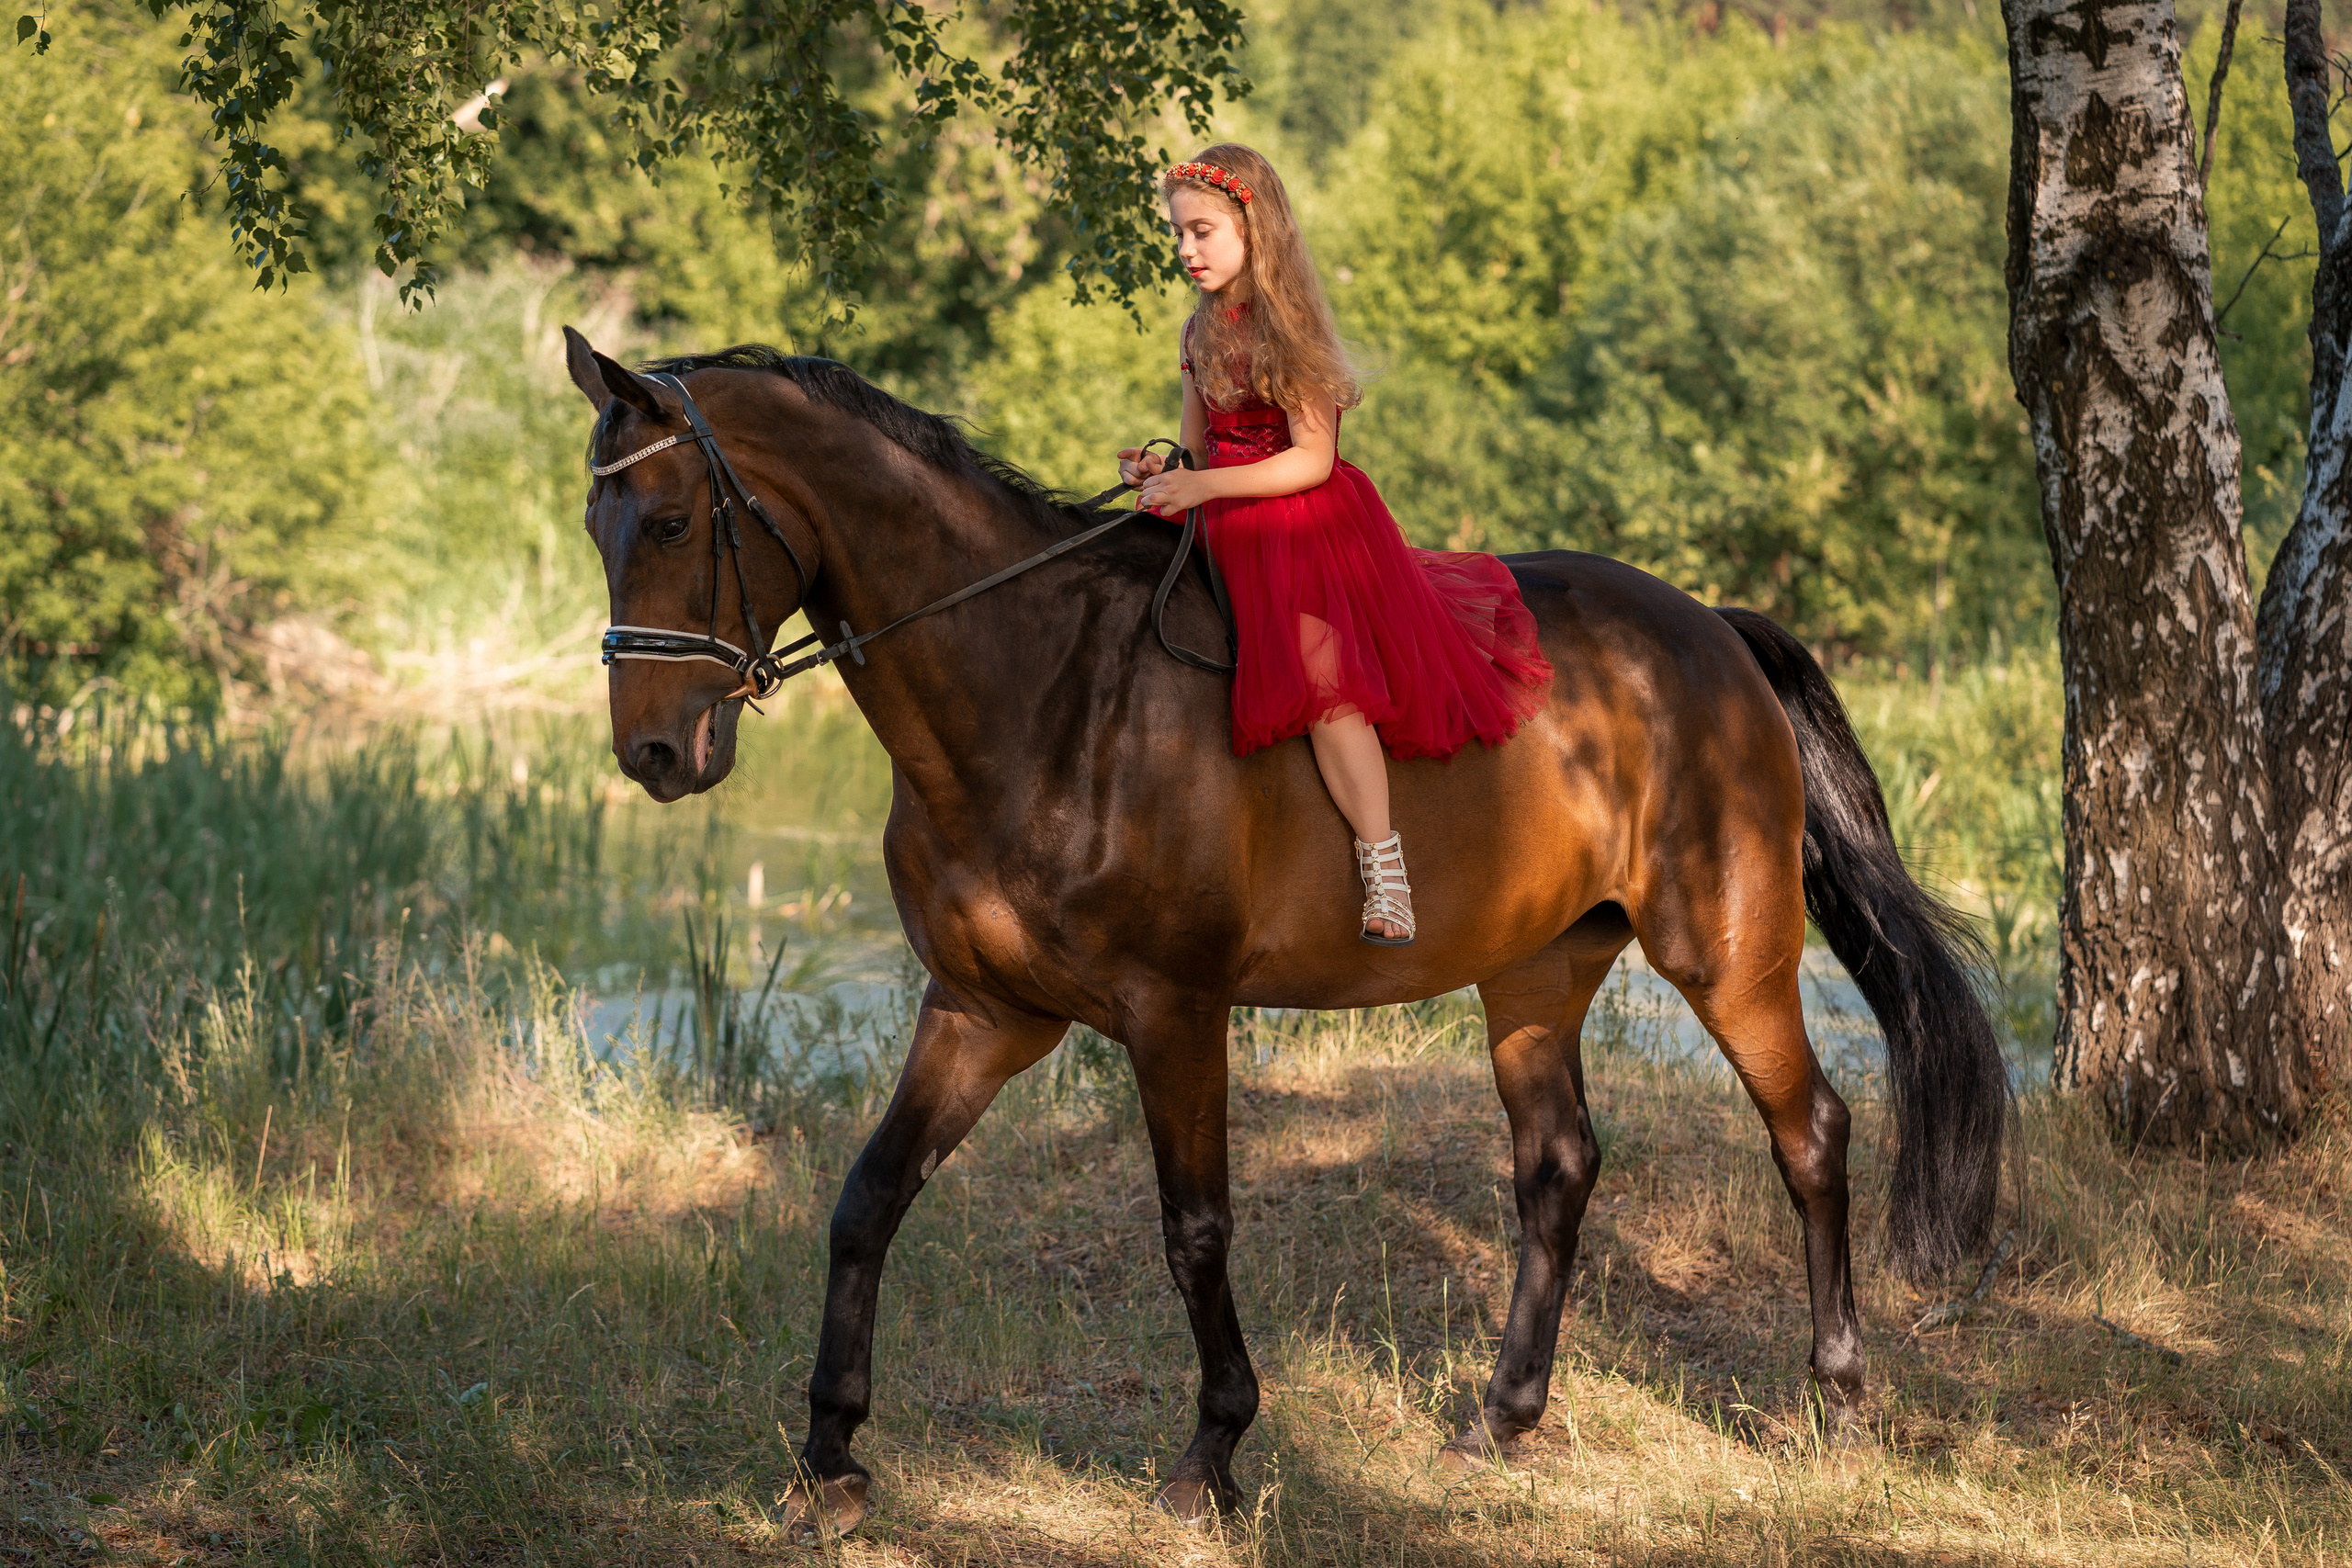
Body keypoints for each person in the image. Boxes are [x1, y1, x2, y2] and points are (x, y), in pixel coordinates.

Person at [1117, 144, 1553, 947]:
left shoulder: (1287, 326)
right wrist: (1163, 469)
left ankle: (1384, 863)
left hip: (1303, 527)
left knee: (1325, 686)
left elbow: (1311, 458)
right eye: (1179, 234)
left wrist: (1202, 488)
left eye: (1203, 231)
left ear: (1255, 228)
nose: (1187, 250)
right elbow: (1198, 449)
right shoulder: (1197, 330)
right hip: (1226, 521)